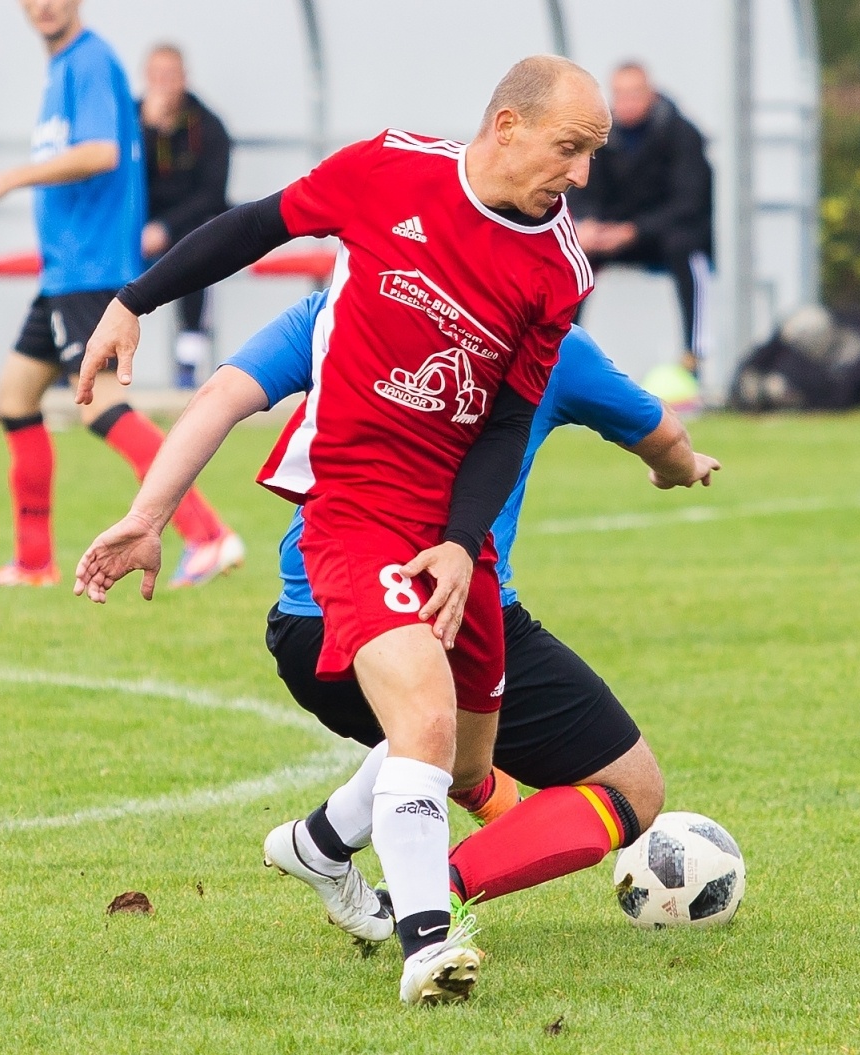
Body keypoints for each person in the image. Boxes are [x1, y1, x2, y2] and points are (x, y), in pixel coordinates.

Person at [73, 55, 609, 1005]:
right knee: (424, 720)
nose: (581, 174)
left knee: (468, 761)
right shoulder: (389, 170)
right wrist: (133, 301)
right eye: (570, 148)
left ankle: (319, 845)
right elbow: (253, 226)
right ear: (508, 126)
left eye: (593, 153)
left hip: (452, 539)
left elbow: (506, 423)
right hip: (352, 509)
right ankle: (428, 945)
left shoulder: (559, 268)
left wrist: (461, 540)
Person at [231, 295, 718, 922]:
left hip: (306, 622)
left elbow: (226, 390)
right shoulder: (550, 346)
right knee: (630, 787)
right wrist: (679, 468)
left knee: (443, 739)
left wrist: (151, 511)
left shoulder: (355, 307)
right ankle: (423, 894)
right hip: (440, 606)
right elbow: (667, 437)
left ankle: (325, 846)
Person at [0, 0, 242, 590]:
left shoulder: (88, 61)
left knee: (99, 405)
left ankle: (207, 534)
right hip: (65, 272)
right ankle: (34, 563)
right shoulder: (63, 67)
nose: (43, 6)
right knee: (16, 397)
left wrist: (6, 179)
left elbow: (100, 153)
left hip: (91, 270)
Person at [568, 62, 714, 379]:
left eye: (634, 93)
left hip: (665, 236)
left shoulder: (682, 134)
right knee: (574, 254)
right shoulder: (600, 136)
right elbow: (582, 188)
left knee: (687, 251)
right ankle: (560, 354)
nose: (627, 102)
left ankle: (693, 358)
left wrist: (634, 231)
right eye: (620, 94)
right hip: (614, 235)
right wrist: (588, 225)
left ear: (651, 94)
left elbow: (689, 202)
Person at [138, 44, 231, 390]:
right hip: (136, 223)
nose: (163, 84)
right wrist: (149, 129)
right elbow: (120, 180)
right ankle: (81, 351)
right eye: (156, 76)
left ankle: (188, 361)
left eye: (170, 75)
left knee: (196, 249)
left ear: (184, 78)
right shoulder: (130, 119)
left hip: (187, 224)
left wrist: (165, 227)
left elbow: (213, 194)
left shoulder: (207, 125)